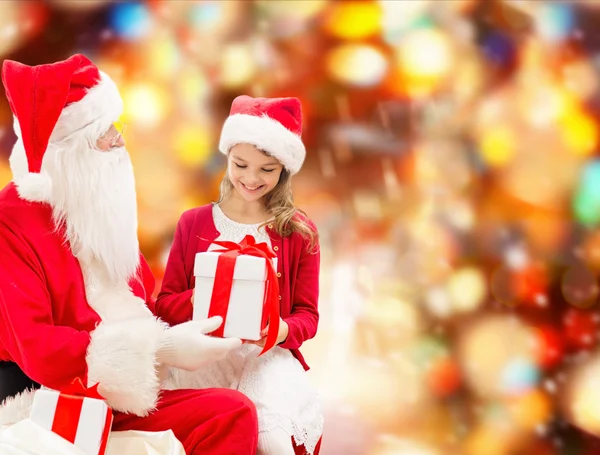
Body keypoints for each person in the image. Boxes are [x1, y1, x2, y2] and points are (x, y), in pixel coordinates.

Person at [0, 54, 258, 455]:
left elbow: (138, 307)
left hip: (119, 392)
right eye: (107, 132)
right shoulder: (10, 224)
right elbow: (38, 349)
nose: (120, 142)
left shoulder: (93, 204)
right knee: (230, 413)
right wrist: (160, 349)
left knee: (244, 396)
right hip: (53, 399)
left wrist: (216, 300)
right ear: (70, 151)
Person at [156, 95, 324, 455]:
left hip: (266, 357)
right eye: (240, 164)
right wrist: (212, 294)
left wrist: (281, 330)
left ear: (284, 170)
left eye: (267, 169)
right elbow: (166, 306)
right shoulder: (194, 223)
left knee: (269, 437)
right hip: (204, 354)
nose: (250, 178)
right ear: (227, 157)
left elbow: (307, 316)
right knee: (208, 429)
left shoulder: (298, 231)